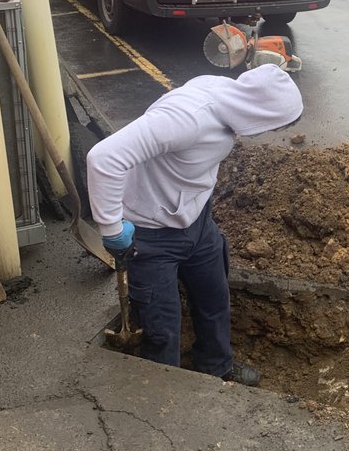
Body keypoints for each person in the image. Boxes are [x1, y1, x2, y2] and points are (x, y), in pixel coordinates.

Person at [86, 65, 303, 386]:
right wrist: (112, 229)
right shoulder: (186, 118)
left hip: (198, 224)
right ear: (260, 110)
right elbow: (104, 158)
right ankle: (169, 397)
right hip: (152, 236)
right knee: (162, 327)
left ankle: (216, 367)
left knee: (214, 299)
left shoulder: (225, 101)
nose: (268, 133)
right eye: (272, 125)